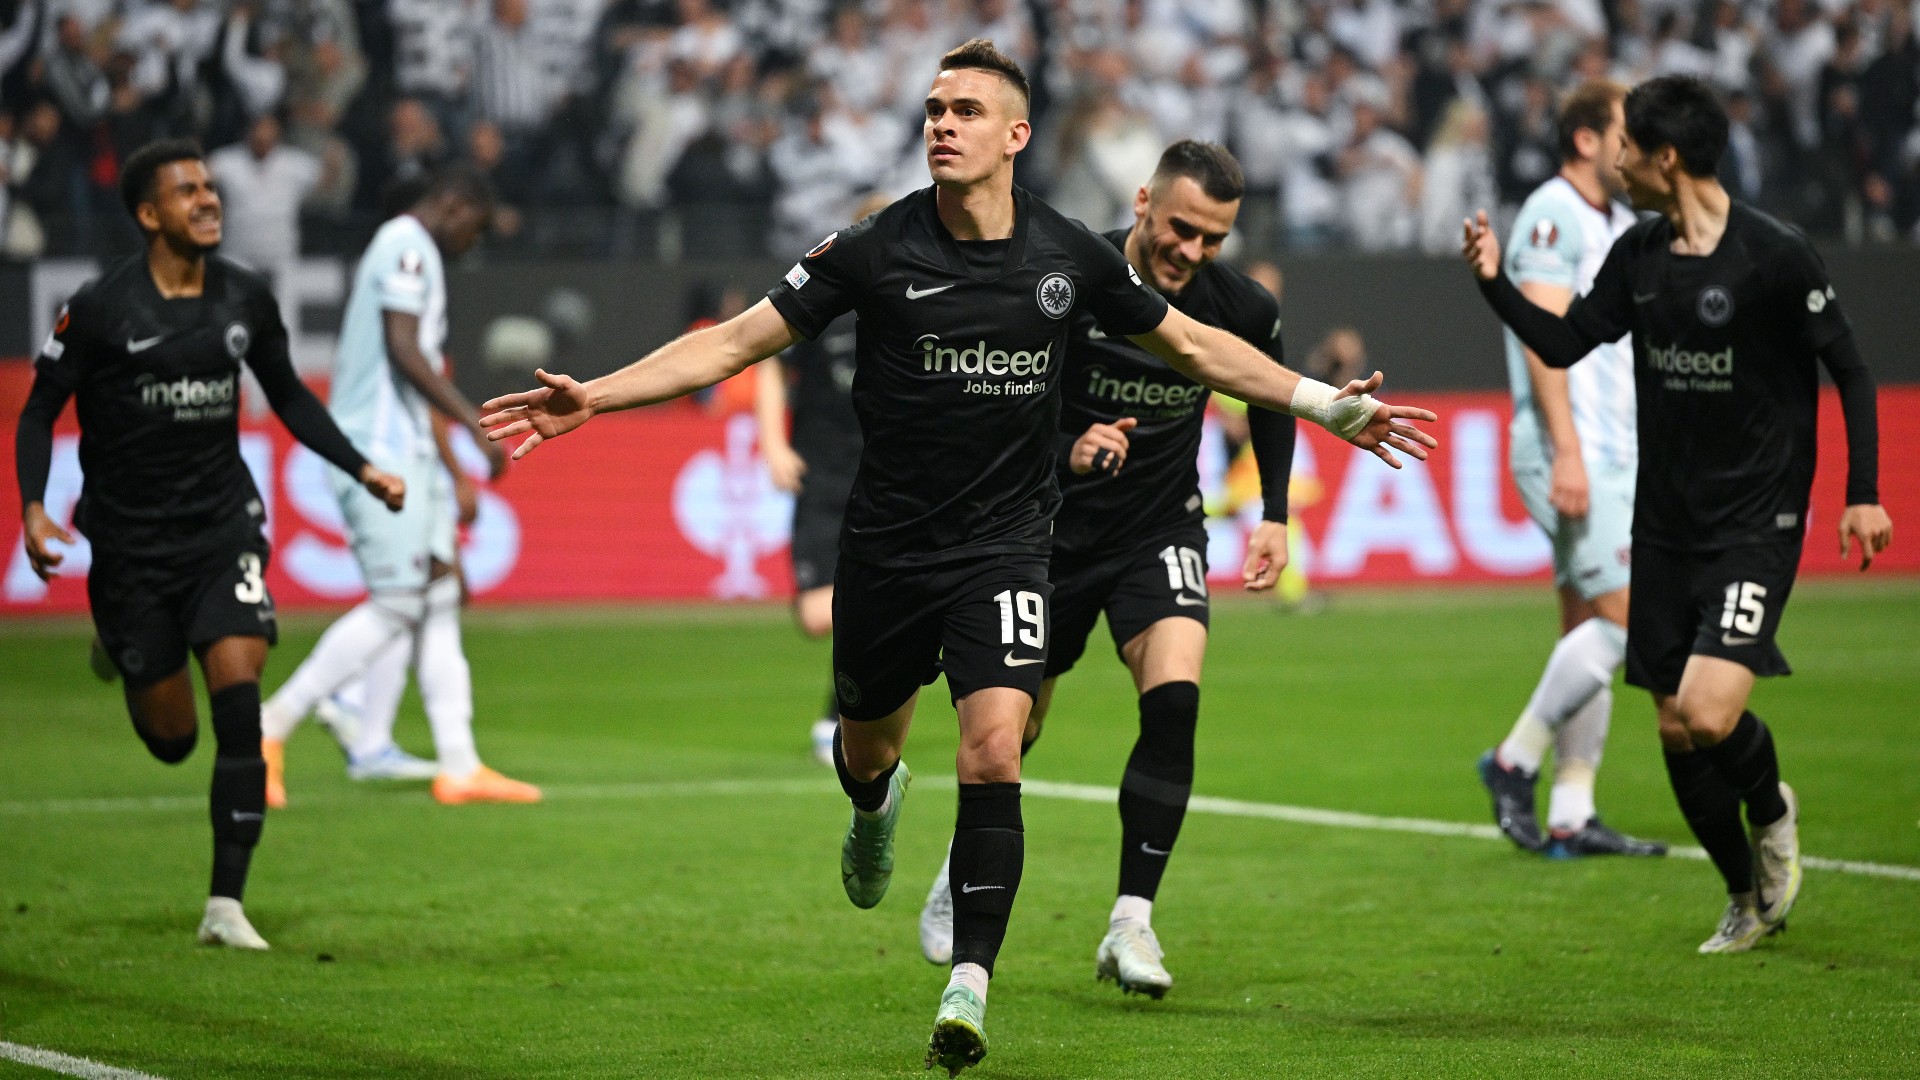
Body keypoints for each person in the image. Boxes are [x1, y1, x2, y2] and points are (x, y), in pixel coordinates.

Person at [481, 40, 1436, 1075]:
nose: (941, 123)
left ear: (1015, 136)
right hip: (890, 551)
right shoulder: (872, 250)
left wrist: (1324, 403)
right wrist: (598, 395)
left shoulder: (1071, 258)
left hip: (1010, 548)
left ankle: (969, 983)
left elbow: (1202, 350)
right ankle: (874, 806)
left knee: (995, 749)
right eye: (934, 108)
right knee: (869, 751)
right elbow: (734, 342)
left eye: (966, 110)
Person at [1463, 75, 1892, 954]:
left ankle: (1772, 814)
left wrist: (1863, 492)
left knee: (1707, 712)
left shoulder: (1775, 255)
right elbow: (1562, 340)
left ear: (1665, 158)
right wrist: (1495, 284)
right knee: (1672, 721)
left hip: (1754, 523)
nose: (1616, 160)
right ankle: (1744, 893)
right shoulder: (1640, 255)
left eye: (1627, 147)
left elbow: (1848, 368)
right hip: (1662, 525)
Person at [913, 141, 1297, 1000]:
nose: (1191, 253)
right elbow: (993, 407)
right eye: (1181, 229)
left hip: (1157, 530)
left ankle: (1132, 920)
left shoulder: (1237, 306)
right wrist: (1067, 447)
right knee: (1011, 736)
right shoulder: (1064, 283)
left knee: (1175, 701)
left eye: (1213, 240)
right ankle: (959, 860)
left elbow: (1271, 393)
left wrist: (1274, 512)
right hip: (1039, 537)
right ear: (1141, 204)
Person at [14, 139, 405, 949]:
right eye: (186, 191)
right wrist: (33, 508)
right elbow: (36, 410)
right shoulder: (100, 309)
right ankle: (122, 648)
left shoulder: (245, 298)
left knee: (237, 706)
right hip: (128, 544)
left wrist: (363, 468)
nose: (207, 200)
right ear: (149, 214)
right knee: (172, 740)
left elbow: (290, 396)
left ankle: (226, 904)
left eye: (209, 187)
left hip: (223, 528)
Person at [259, 166, 537, 809]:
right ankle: (271, 722)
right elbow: (404, 350)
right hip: (379, 453)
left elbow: (415, 371)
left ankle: (460, 765)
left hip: (410, 451)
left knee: (438, 599)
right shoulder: (407, 244)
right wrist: (474, 426)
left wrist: (451, 464)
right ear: (453, 205)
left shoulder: (413, 253)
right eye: (476, 227)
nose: (474, 244)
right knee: (397, 603)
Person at [1476, 81, 1668, 861]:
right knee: (1634, 623)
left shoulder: (1620, 221)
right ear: (1587, 139)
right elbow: (1543, 338)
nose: (1638, 146)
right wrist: (1568, 450)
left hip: (1614, 449)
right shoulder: (1553, 211)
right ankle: (1514, 760)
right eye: (1626, 131)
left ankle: (1572, 811)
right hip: (1574, 447)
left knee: (1588, 631)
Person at [755, 193, 885, 767]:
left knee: (870, 601)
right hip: (821, 475)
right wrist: (773, 444)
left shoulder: (916, 308)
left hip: (884, 479)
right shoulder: (823, 301)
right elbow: (765, 361)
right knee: (817, 617)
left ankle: (839, 714)